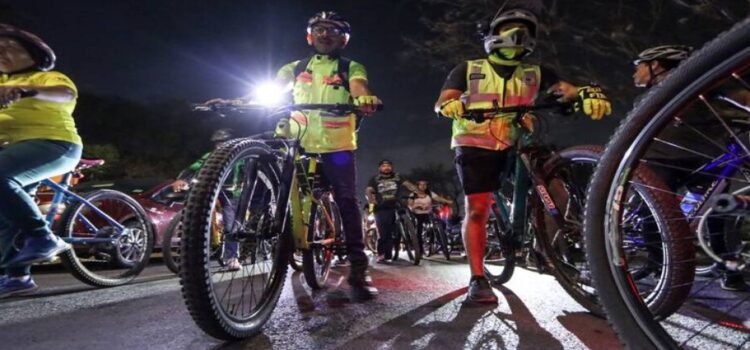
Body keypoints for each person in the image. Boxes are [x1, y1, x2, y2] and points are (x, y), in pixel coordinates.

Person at [434, 4, 611, 304]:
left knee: (554, 186)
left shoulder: (536, 72)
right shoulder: (468, 69)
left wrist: (583, 93)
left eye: (526, 31)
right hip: (475, 144)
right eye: (509, 29)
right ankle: (478, 279)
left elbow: (564, 89)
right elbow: (444, 100)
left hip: (518, 140)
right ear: (493, 35)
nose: (518, 35)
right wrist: (451, 105)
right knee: (478, 208)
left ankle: (547, 248)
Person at [208, 11, 382, 301]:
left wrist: (364, 98)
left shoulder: (351, 67)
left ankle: (358, 266)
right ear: (310, 36)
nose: (325, 34)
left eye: (333, 30)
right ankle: (272, 222)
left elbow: (359, 87)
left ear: (344, 38)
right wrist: (236, 102)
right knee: (272, 169)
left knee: (347, 198)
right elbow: (272, 91)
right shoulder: (295, 67)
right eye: (319, 29)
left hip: (337, 147)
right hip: (296, 141)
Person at [633, 45, 749, 291]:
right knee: (651, 212)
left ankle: (727, 268)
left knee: (720, 213)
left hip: (703, 159)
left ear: (656, 65)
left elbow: (743, 98)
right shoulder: (644, 98)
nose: (635, 72)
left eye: (639, 65)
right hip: (661, 160)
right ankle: (656, 263)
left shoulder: (700, 86)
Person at [0, 24, 83, 298]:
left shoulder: (45, 79)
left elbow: (65, 94)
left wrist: (26, 90)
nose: (2, 50)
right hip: (16, 152)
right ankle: (15, 276)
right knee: (7, 214)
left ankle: (43, 236)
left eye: (11, 46)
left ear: (35, 56)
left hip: (56, 144)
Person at [171, 128, 243, 271]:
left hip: (232, 194)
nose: (219, 145)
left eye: (223, 142)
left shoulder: (239, 157)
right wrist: (181, 179)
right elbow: (194, 167)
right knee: (197, 215)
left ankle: (232, 258)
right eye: (217, 143)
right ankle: (192, 257)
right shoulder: (211, 156)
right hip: (215, 190)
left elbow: (248, 172)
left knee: (230, 225)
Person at [365, 159, 418, 263]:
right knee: (384, 233)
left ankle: (408, 232)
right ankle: (383, 254)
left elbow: (408, 184)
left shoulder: (397, 177)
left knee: (408, 214)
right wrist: (371, 200)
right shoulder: (375, 179)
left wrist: (416, 191)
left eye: (388, 165)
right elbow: (368, 190)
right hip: (381, 207)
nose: (386, 167)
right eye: (384, 166)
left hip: (396, 204)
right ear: (380, 168)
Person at [408, 180, 452, 253]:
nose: (423, 186)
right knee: (419, 230)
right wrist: (415, 207)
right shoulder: (413, 194)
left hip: (428, 213)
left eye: (425, 184)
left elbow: (438, 198)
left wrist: (447, 201)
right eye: (421, 185)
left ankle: (441, 241)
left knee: (439, 222)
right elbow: (410, 204)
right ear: (417, 186)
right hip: (418, 214)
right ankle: (420, 250)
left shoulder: (429, 193)